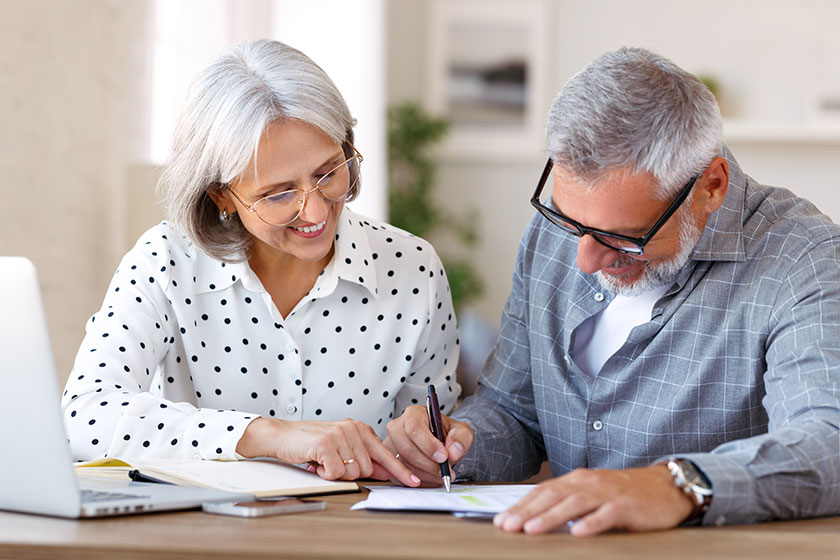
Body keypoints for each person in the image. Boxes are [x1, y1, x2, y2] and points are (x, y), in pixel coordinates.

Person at [386, 47, 840, 534]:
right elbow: (513, 411)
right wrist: (459, 443)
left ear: (711, 186)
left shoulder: (803, 258)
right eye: (569, 220)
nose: (583, 259)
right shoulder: (559, 234)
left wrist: (677, 485)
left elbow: (826, 443)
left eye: (623, 237)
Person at [61, 39, 460, 486]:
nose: (314, 212)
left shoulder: (414, 269)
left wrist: (429, 451)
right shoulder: (163, 262)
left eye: (328, 172)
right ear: (221, 196)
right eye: (278, 193)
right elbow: (84, 416)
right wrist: (264, 435)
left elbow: (428, 451)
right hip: (197, 539)